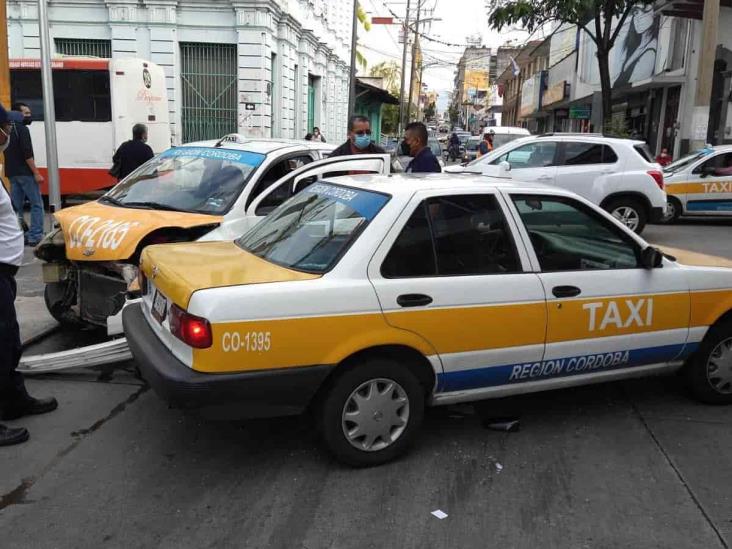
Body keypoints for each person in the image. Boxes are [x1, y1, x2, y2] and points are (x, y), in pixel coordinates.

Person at [0, 104, 58, 447]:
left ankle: (13, 400)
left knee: (8, 341)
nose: (9, 133)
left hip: (5, 272)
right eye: (7, 127)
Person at [6, 102, 44, 247]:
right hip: (25, 173)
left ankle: (19, 235)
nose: (29, 116)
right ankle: (35, 235)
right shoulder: (22, 129)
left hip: (12, 173)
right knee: (37, 205)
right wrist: (36, 172)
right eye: (26, 113)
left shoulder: (7, 129)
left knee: (16, 207)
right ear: (18, 113)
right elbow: (27, 154)